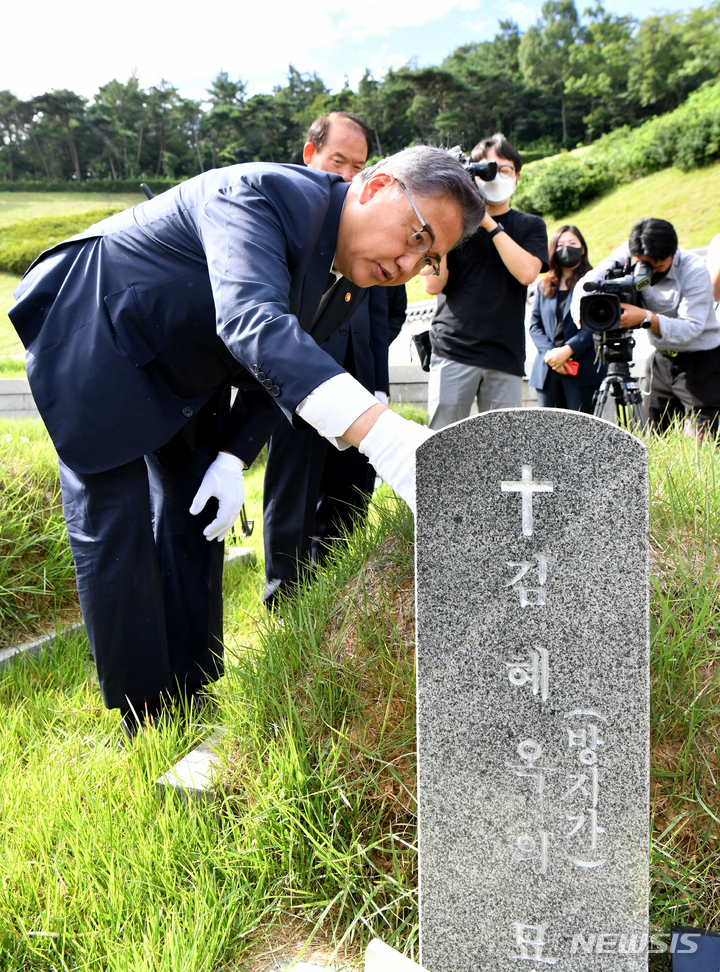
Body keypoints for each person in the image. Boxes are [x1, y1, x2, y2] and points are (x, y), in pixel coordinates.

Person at [8, 147, 484, 738]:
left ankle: (192, 683)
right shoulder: (261, 195)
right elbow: (254, 321)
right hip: (97, 321)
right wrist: (383, 436)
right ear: (376, 186)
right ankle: (144, 712)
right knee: (116, 516)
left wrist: (232, 458)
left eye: (429, 257)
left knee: (193, 512)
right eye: (416, 235)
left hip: (187, 360)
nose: (410, 263)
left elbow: (278, 370)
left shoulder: (349, 277)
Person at [263, 111, 407, 606]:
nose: (347, 174)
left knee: (351, 495)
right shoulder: (283, 221)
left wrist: (377, 381)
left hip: (362, 383)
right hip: (296, 387)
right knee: (292, 495)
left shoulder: (374, 232)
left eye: (359, 165)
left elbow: (390, 315)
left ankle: (334, 598)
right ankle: (285, 603)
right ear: (310, 153)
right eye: (338, 160)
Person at [423, 132, 548, 430]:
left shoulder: (531, 226)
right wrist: (448, 224)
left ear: (517, 177)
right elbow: (432, 285)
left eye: (504, 169)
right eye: (486, 168)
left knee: (501, 453)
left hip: (504, 354)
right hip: (453, 349)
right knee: (442, 446)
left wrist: (489, 223)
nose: (495, 175)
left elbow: (527, 273)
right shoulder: (452, 224)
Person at [571, 217, 720, 435]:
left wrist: (645, 318)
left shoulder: (694, 270)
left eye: (658, 266)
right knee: (651, 434)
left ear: (673, 253)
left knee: (707, 439)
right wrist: (579, 307)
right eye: (642, 263)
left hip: (702, 361)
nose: (650, 272)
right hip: (661, 360)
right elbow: (589, 281)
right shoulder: (628, 253)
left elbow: (690, 329)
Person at [529, 224, 606, 411]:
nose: (566, 248)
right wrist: (550, 353)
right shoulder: (544, 284)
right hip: (548, 370)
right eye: (560, 244)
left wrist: (568, 350)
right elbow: (535, 325)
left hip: (583, 370)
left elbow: (597, 324)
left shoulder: (594, 282)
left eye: (572, 243)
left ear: (583, 248)